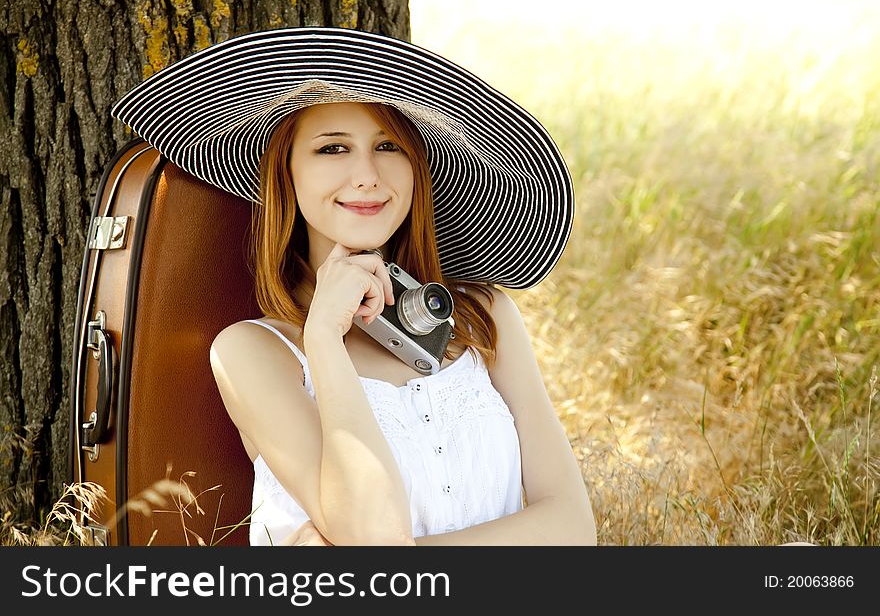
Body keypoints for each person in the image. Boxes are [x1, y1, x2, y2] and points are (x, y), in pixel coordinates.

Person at [111, 27, 597, 546]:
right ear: (287, 173)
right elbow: (371, 531)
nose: (366, 175)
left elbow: (572, 525)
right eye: (332, 148)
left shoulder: (482, 316)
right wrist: (322, 339)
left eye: (388, 146)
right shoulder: (252, 352)